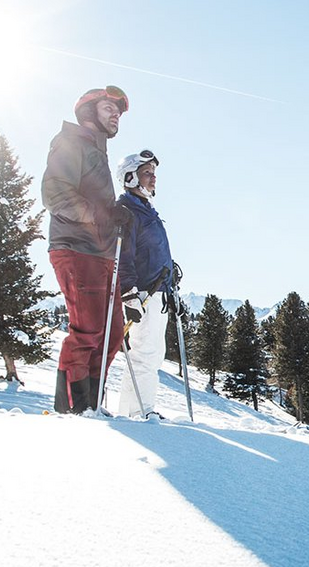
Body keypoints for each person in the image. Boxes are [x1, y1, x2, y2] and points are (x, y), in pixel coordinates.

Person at [42, 85, 133, 413]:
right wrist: (103, 215)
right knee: (89, 330)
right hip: (75, 248)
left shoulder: (98, 152)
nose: (116, 116)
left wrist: (115, 215)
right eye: (110, 108)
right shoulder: (71, 141)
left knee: (110, 334)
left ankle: (90, 406)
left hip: (102, 254)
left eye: (119, 113)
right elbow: (55, 194)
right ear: (89, 109)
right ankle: (72, 409)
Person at [115, 150, 178, 419]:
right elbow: (122, 255)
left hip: (159, 292)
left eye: (154, 173)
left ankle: (134, 412)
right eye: (147, 173)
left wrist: (172, 289)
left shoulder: (147, 211)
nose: (153, 178)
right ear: (130, 178)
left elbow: (155, 253)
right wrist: (128, 294)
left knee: (152, 355)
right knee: (144, 354)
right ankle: (141, 412)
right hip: (143, 293)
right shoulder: (126, 211)